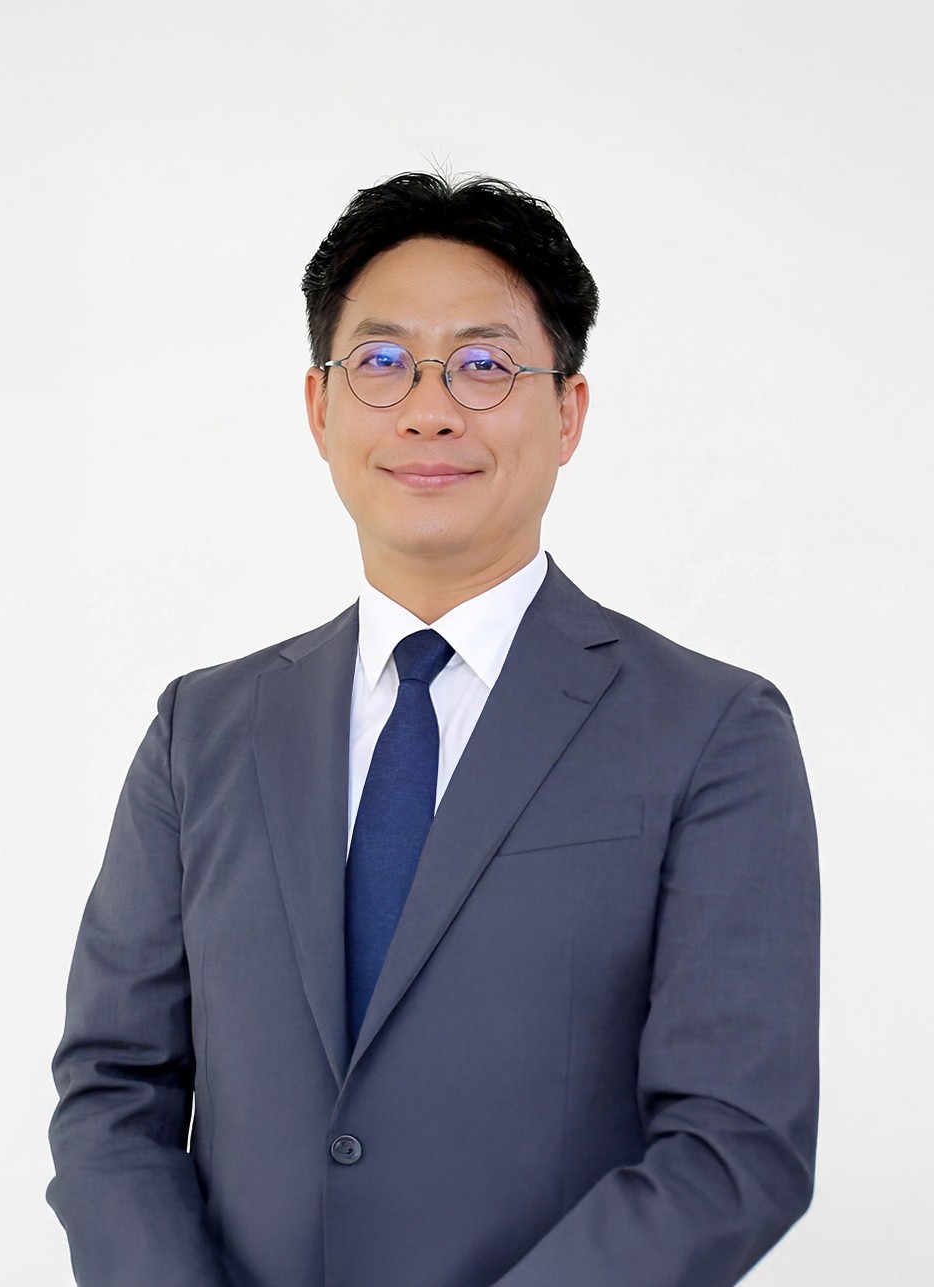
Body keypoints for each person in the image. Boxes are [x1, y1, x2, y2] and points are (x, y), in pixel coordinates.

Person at [48, 172, 819, 1287]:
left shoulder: (710, 732)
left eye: (483, 363)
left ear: (568, 412)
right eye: (379, 361)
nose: (426, 407)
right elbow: (114, 1092)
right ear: (319, 409)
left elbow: (731, 1145)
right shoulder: (202, 731)